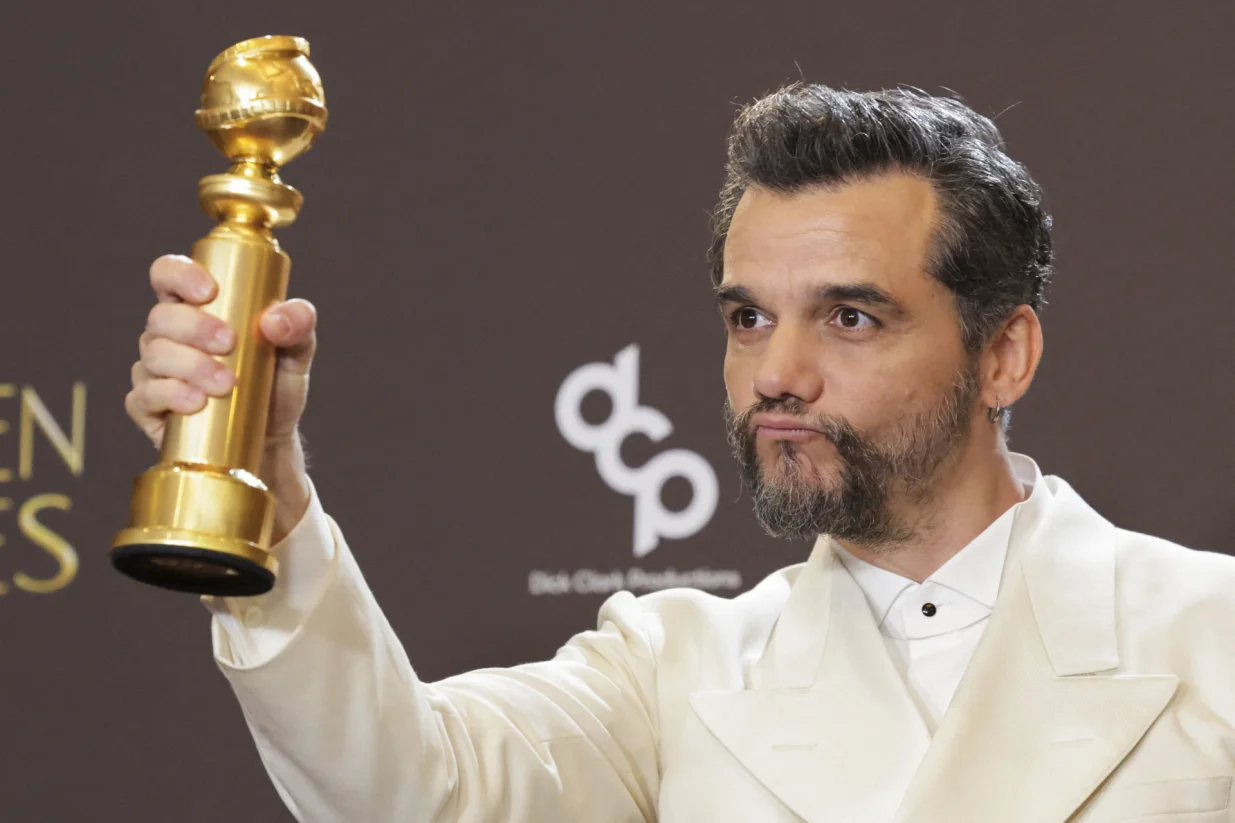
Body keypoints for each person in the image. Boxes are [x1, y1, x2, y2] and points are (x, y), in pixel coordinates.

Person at [125, 84, 1235, 822]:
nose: (774, 374)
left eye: (848, 317)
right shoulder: (675, 667)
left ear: (1003, 356)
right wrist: (261, 480)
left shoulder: (1210, 633)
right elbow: (410, 786)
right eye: (748, 318)